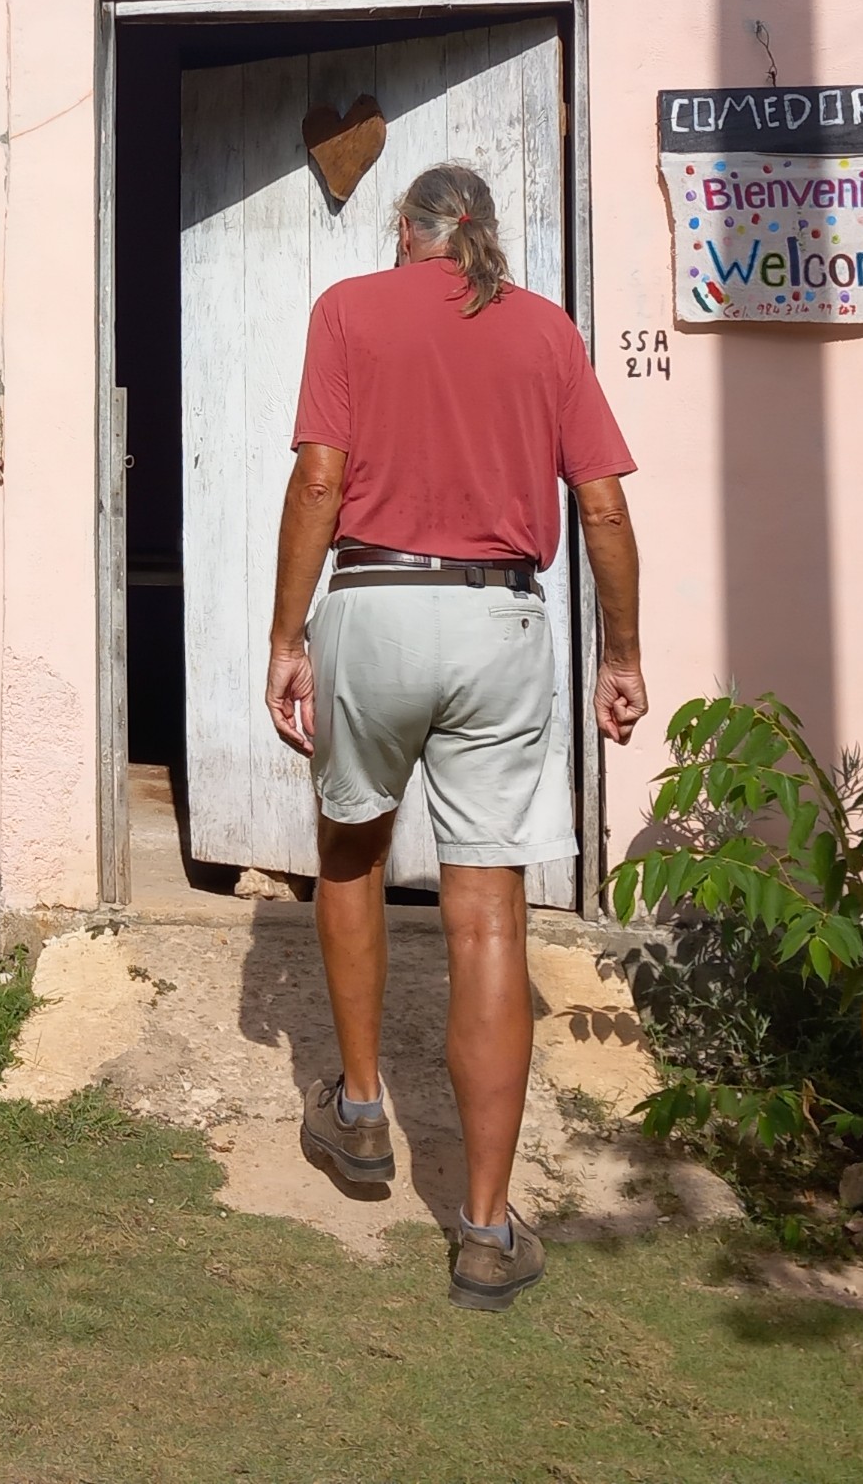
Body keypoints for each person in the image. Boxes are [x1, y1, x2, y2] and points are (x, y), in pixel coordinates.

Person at [263, 159, 647, 1312]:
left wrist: (287, 637)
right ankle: (484, 1230)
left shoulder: (348, 311)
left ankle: (359, 1112)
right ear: (484, 234)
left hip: (374, 608)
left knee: (351, 853)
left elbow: (319, 483)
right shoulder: (545, 330)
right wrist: (620, 655)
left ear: (407, 229)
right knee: (486, 915)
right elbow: (603, 505)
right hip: (498, 620)